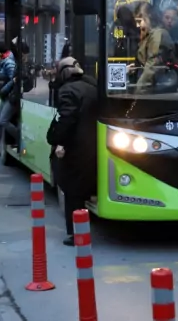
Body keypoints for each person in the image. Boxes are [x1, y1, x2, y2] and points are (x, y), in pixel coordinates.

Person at [45, 57, 98, 246]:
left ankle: (76, 234)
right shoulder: (93, 86)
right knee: (83, 189)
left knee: (72, 193)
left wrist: (58, 141)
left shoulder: (67, 90)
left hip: (76, 147)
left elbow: (66, 120)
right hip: (94, 144)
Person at [131, 2, 177, 93]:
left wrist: (137, 92)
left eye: (139, 21)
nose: (137, 25)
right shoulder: (150, 36)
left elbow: (152, 67)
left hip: (158, 91)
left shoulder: (158, 35)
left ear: (149, 18)